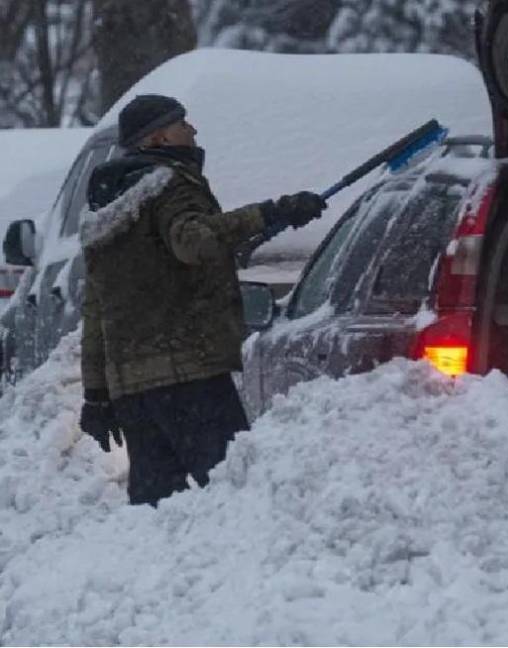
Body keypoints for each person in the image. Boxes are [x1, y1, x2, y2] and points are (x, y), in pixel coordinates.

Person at [77, 94, 324, 506]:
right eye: (182, 123)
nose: (192, 130)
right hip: (190, 376)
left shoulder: (104, 210)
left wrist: (97, 395)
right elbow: (194, 242)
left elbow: (96, 308)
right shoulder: (169, 185)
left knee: (157, 512)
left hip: (133, 391)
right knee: (233, 495)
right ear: (157, 138)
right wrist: (268, 213)